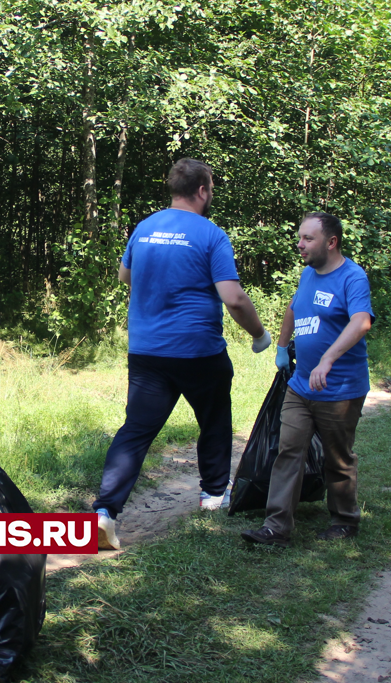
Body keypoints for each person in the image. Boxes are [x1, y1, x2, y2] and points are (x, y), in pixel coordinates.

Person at [93, 158, 272, 550]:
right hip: (197, 351)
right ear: (203, 190)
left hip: (146, 352)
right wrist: (259, 335)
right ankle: (211, 497)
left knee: (136, 431)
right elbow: (234, 298)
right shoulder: (211, 234)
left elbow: (126, 276)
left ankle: (104, 512)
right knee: (213, 418)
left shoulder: (143, 228)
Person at [241, 212, 373, 549]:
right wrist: (283, 346)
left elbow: (361, 322)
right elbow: (294, 308)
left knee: (338, 459)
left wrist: (328, 358)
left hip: (340, 389)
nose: (300, 244)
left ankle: (344, 520)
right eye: (300, 237)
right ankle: (276, 528)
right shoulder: (308, 274)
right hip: (300, 386)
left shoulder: (352, 278)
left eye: (307, 239)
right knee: (288, 450)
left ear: (331, 242)